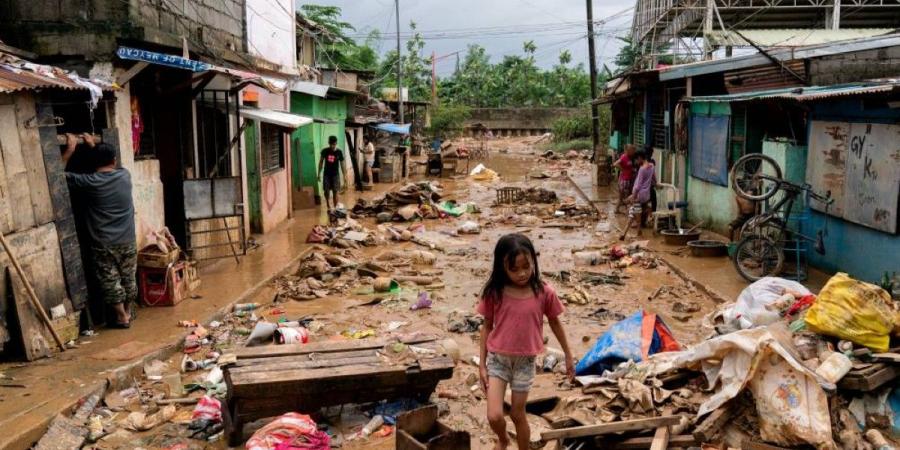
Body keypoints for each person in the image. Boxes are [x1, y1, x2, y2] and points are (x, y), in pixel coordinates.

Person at [477, 234, 574, 450]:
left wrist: (568, 355)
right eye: (514, 269)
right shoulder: (495, 292)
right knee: (494, 416)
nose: (522, 273)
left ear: (533, 262)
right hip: (498, 361)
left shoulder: (543, 292)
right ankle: (503, 439)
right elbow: (486, 327)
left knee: (517, 414)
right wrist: (482, 365)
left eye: (526, 266)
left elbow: (556, 323)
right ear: (502, 267)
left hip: (525, 363)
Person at [62, 133, 136, 329]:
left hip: (103, 243)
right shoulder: (124, 176)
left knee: (110, 279)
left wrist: (70, 151)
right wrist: (94, 147)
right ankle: (128, 312)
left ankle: (121, 317)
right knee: (128, 278)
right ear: (114, 160)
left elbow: (58, 176)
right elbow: (106, 163)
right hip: (127, 239)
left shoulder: (89, 181)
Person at [622, 151, 655, 239]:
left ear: (640, 158)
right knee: (635, 211)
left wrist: (633, 196)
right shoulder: (652, 166)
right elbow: (653, 178)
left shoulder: (642, 169)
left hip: (639, 195)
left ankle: (631, 233)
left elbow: (638, 185)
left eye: (636, 160)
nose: (636, 162)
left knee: (634, 213)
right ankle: (632, 232)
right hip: (646, 195)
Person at [318, 135, 344, 211]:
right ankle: (328, 205)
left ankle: (336, 208)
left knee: (335, 191)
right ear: (329, 143)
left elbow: (342, 164)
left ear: (336, 143)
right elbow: (321, 162)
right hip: (326, 174)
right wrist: (319, 174)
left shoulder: (339, 152)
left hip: (335, 175)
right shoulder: (325, 151)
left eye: (334, 144)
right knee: (326, 191)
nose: (333, 146)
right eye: (331, 144)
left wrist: (345, 176)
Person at [613, 144, 637, 213]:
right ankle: (619, 209)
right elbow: (615, 164)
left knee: (627, 196)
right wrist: (623, 170)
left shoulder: (630, 157)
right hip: (624, 180)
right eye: (632, 150)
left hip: (629, 179)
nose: (633, 152)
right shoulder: (624, 157)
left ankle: (624, 210)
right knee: (623, 196)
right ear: (627, 150)